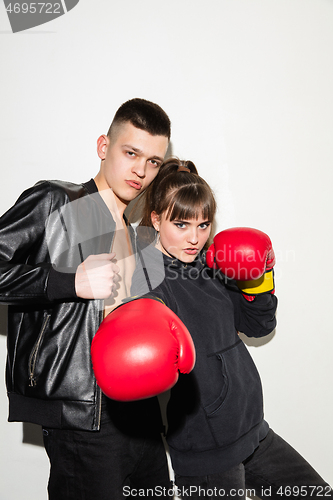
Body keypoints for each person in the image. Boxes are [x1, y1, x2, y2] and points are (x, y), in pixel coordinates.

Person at [125, 157, 332, 499]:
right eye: (181, 225)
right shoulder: (148, 277)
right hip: (207, 452)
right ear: (156, 219)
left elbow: (258, 324)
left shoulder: (212, 262)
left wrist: (259, 278)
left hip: (251, 431)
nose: (194, 238)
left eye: (203, 225)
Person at [0, 98, 173, 499]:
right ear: (103, 147)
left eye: (153, 162)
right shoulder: (56, 201)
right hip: (84, 418)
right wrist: (66, 281)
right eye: (131, 153)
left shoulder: (134, 233)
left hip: (141, 416)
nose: (141, 171)